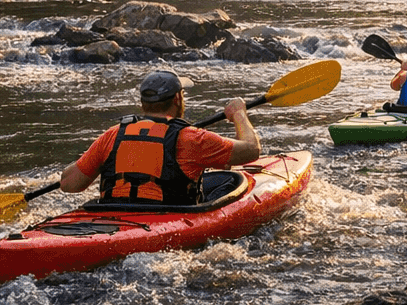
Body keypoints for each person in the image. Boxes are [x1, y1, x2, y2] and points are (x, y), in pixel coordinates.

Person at [59, 70, 260, 205]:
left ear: (143, 103)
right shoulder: (192, 139)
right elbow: (251, 149)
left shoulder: (113, 135)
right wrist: (238, 113)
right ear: (177, 98)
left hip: (114, 217)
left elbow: (69, 184)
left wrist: (94, 160)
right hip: (167, 221)